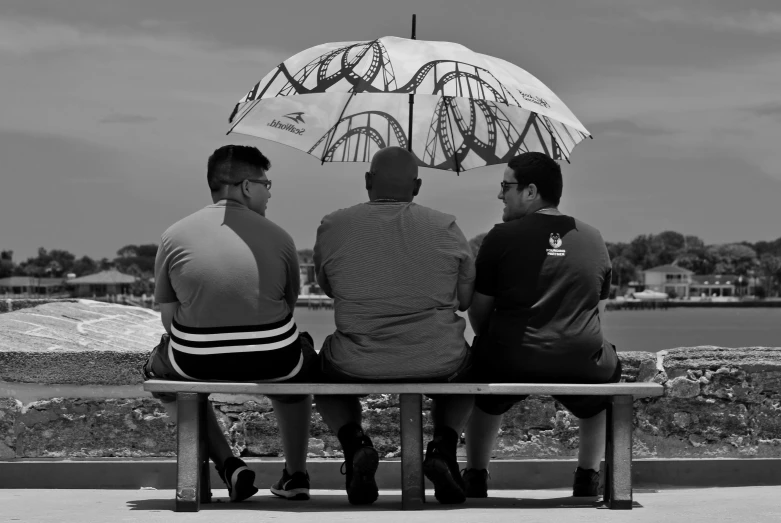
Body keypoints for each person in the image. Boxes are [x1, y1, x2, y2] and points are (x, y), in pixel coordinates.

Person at [143, 145, 315, 503]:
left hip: (194, 361)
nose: (269, 193)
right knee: (299, 369)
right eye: (267, 184)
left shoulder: (174, 236)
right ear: (247, 186)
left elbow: (169, 318)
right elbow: (287, 306)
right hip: (275, 360)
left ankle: (228, 464)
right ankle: (296, 474)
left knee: (161, 375)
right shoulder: (280, 237)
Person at [313, 146, 475, 505]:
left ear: (368, 181)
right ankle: (444, 450)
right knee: (470, 367)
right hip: (438, 359)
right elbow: (464, 300)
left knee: (319, 372)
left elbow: (328, 288)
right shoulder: (446, 226)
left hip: (356, 361)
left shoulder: (333, 225)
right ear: (417, 187)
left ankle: (355, 444)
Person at [463, 152, 620, 498]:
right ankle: (587, 476)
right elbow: (598, 309)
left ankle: (475, 474)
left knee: (484, 390)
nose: (500, 195)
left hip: (510, 357)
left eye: (506, 186)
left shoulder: (500, 237)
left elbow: (479, 313)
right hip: (581, 361)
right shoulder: (594, 238)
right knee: (599, 396)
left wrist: (499, 343)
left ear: (530, 191)